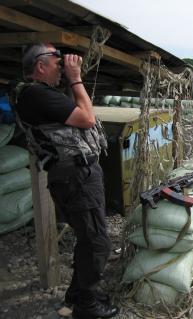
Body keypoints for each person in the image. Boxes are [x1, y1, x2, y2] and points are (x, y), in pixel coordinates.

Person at [14, 43, 119, 318]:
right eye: (56, 61)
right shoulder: (36, 94)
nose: (61, 66)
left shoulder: (42, 95)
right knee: (98, 243)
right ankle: (86, 305)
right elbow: (86, 117)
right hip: (75, 177)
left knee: (87, 238)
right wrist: (75, 78)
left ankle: (77, 294)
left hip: (77, 175)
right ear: (40, 66)